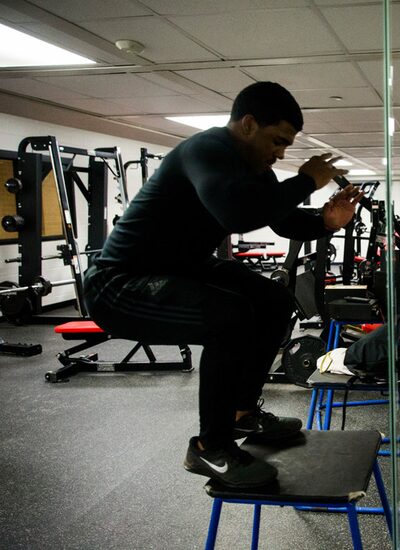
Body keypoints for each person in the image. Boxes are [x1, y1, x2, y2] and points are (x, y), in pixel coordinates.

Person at [84, 81, 362, 488]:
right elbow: (236, 214)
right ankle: (210, 448)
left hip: (181, 268)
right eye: (277, 140)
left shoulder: (257, 169)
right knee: (227, 317)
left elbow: (282, 220)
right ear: (249, 124)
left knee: (272, 299)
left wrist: (324, 222)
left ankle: (242, 413)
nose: (280, 153)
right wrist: (304, 181)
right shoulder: (205, 150)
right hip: (120, 284)